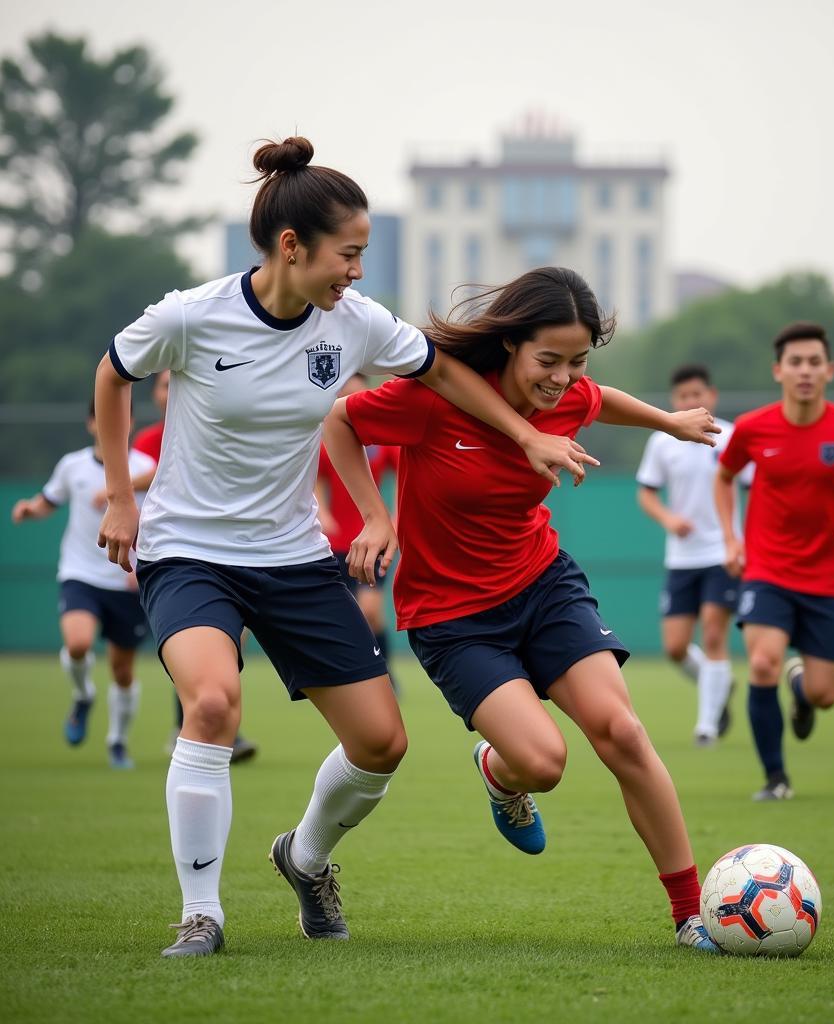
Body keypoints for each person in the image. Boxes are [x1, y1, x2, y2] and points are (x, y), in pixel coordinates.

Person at [93, 137, 595, 959]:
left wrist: (523, 435)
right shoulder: (190, 315)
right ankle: (201, 913)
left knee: (380, 742)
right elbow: (113, 375)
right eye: (348, 255)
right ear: (292, 248)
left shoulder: (355, 326)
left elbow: (443, 375)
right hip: (188, 552)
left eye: (362, 255)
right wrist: (121, 497)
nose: (356, 272)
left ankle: (305, 858)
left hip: (292, 557)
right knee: (213, 702)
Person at [334, 266, 725, 953]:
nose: (563, 377)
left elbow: (600, 399)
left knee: (623, 734)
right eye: (548, 359)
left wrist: (669, 421)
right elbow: (340, 423)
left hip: (543, 586)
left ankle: (690, 915)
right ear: (510, 344)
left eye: (576, 360)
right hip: (452, 618)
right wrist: (374, 517)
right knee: (543, 762)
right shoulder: (432, 398)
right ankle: (499, 771)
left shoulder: (570, 394)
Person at [713, 321, 834, 801]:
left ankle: (801, 687)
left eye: (814, 362)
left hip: (828, 575)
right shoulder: (753, 428)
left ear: (829, 370)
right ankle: (776, 779)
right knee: (761, 663)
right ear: (779, 370)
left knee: (825, 695)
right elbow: (724, 477)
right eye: (795, 362)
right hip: (767, 571)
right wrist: (731, 539)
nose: (805, 371)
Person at [11, 401, 154, 769]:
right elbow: (48, 501)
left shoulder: (144, 469)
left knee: (123, 671)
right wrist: (30, 509)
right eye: (107, 416)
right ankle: (83, 694)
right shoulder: (72, 466)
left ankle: (118, 742)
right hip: (80, 574)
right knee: (78, 644)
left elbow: (157, 519)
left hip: (125, 580)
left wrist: (141, 564)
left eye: (123, 418)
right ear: (93, 423)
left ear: (131, 423)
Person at [132, 370, 259, 764]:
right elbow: (146, 484)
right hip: (173, 559)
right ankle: (192, 726)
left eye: (178, 383)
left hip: (231, 552)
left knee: (228, 642)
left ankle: (213, 726)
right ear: (155, 394)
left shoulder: (221, 424)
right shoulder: (149, 441)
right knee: (196, 641)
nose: (172, 391)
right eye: (165, 385)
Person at [636, 364, 751, 745]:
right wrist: (670, 520)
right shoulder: (662, 441)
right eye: (684, 396)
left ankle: (706, 728)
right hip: (681, 558)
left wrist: (742, 539)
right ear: (675, 401)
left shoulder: (734, 437)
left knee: (715, 635)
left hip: (722, 553)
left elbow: (758, 488)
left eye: (698, 394)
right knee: (675, 647)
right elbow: (646, 493)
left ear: (712, 396)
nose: (692, 401)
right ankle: (719, 684)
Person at [314, 372, 401, 691]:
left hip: (373, 538)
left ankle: (384, 671)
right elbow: (317, 480)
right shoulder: (325, 436)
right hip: (335, 542)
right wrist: (322, 512)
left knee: (371, 612)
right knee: (346, 616)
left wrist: (392, 517)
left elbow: (405, 473)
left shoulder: (380, 440)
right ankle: (359, 679)